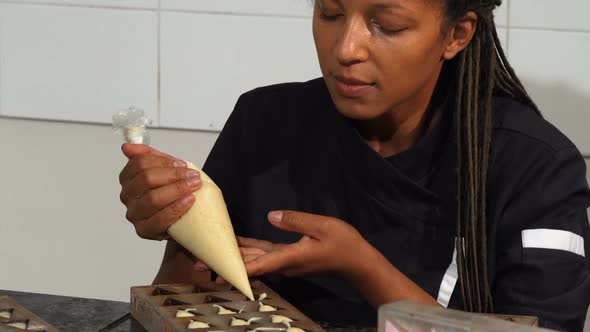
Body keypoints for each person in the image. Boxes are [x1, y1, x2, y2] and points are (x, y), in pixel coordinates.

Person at [118, 0, 590, 330]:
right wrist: (181, 225)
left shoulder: (536, 167)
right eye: (330, 13)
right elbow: (180, 301)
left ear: (456, 33)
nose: (346, 48)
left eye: (386, 25)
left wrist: (361, 265)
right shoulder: (265, 122)